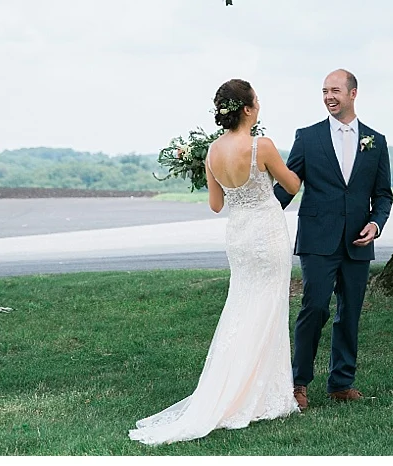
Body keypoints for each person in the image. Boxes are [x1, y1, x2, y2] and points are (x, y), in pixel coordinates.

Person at [129, 79, 302, 445]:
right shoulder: (262, 146)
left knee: (242, 306)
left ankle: (238, 387)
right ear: (248, 109)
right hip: (267, 233)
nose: (259, 105)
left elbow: (216, 204)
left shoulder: (211, 151)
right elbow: (291, 185)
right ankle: (263, 394)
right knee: (269, 307)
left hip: (238, 236)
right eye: (257, 100)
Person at [274, 69, 393, 411]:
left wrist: (376, 224)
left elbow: (383, 195)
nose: (329, 96)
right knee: (314, 308)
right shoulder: (307, 137)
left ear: (353, 93)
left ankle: (341, 382)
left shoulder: (375, 141)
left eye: (335, 90)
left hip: (357, 242)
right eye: (325, 90)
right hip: (317, 239)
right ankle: (299, 382)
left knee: (350, 312)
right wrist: (261, 210)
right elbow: (288, 186)